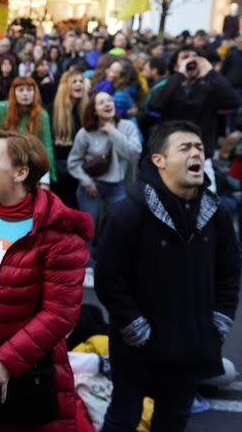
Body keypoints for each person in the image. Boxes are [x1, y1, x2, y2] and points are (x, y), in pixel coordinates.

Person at [96, 120, 241, 431]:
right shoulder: (127, 212)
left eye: (200, 148)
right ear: (158, 160)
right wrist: (136, 328)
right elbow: (109, 278)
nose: (197, 154)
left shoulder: (217, 213)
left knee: (173, 421)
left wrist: (218, 325)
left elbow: (229, 274)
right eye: (185, 148)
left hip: (191, 346)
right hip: (137, 348)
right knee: (123, 419)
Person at [0, 130, 90, 430]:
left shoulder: (59, 234)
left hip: (25, 374)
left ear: (21, 172)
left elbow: (60, 314)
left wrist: (5, 361)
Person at [67, 92, 141, 262]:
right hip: (91, 187)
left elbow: (134, 154)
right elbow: (73, 162)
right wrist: (87, 182)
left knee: (116, 227)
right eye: (101, 102)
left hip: (117, 187)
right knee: (89, 229)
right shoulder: (85, 132)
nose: (107, 104)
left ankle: (110, 263)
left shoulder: (127, 127)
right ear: (94, 110)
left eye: (109, 100)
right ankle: (88, 266)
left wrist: (113, 132)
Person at [147, 46, 240, 163]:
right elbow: (156, 105)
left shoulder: (209, 86)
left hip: (201, 155)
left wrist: (210, 72)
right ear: (175, 66)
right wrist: (180, 75)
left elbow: (234, 102)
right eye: (185, 57)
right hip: (171, 153)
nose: (191, 60)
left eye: (195, 57)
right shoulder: (167, 84)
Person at [0, 76, 56, 183]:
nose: (25, 94)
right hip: (4, 170)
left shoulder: (41, 116)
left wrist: (44, 181)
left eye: (29, 90)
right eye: (21, 90)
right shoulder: (2, 109)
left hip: (30, 172)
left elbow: (45, 147)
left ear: (35, 92)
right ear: (13, 92)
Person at [51, 68, 89, 208]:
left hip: (79, 172)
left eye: (81, 81)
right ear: (65, 86)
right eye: (75, 81)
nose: (79, 84)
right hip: (59, 173)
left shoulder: (85, 112)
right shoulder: (51, 111)